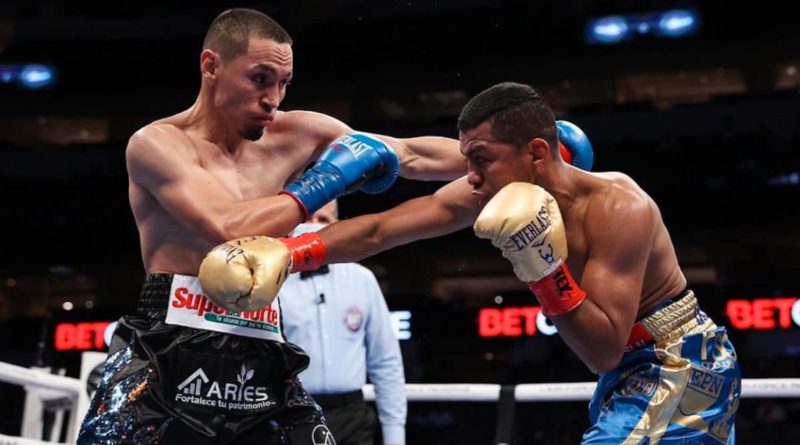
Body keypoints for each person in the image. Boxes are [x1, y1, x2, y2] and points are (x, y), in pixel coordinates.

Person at [208, 82, 741, 443]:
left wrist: (542, 270)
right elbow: (382, 228)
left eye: (481, 158)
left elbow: (601, 350)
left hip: (679, 360)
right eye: (467, 159)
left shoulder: (620, 207)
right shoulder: (488, 190)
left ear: (536, 152)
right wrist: (290, 251)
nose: (472, 176)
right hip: (630, 367)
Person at [77, 8, 467, 445]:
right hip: (170, 342)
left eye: (283, 84)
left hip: (259, 341)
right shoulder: (158, 145)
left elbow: (409, 155)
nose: (273, 99)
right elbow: (228, 229)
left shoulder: (297, 133)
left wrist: (524, 157)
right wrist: (322, 184)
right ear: (211, 66)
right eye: (260, 79)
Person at [280, 201, 406, 445]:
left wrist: (395, 435)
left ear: (337, 225)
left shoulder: (362, 280)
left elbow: (386, 363)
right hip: (291, 413)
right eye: (307, 218)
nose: (312, 228)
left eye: (323, 220)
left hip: (353, 417)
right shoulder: (274, 282)